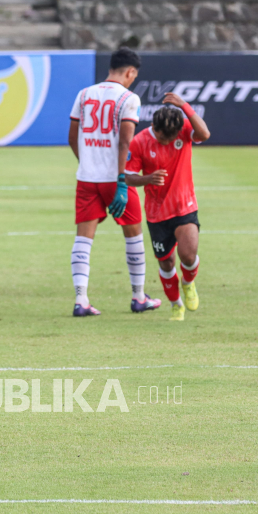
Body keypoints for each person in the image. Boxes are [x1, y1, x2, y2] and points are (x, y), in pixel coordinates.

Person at [67, 47, 160, 317]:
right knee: (133, 235)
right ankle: (139, 296)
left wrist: (85, 162)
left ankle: (81, 300)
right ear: (130, 72)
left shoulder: (84, 94)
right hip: (115, 178)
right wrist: (121, 179)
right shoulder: (129, 98)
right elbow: (125, 141)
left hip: (86, 177)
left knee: (83, 239)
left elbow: (72, 137)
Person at [125, 93, 210, 321]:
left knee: (188, 256)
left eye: (172, 138)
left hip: (184, 206)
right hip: (156, 213)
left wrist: (184, 105)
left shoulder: (182, 131)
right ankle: (176, 305)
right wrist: (148, 179)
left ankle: (188, 283)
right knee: (167, 262)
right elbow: (128, 176)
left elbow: (204, 133)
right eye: (164, 138)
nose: (169, 141)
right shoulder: (140, 141)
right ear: (154, 126)